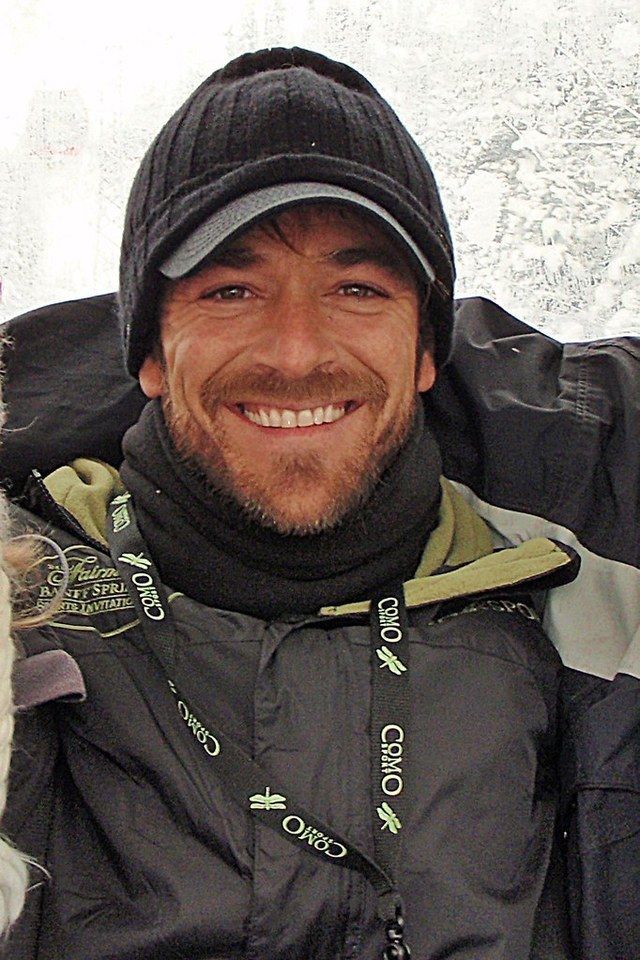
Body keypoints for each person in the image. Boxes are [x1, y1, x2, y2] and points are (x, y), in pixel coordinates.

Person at [0, 46, 637, 960]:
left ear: (426, 349)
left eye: (356, 288)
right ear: (150, 352)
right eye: (231, 290)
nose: (296, 351)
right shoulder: (28, 602)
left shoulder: (581, 594)